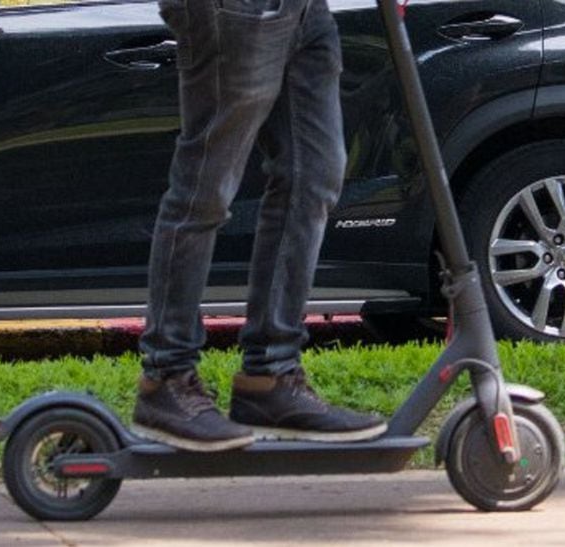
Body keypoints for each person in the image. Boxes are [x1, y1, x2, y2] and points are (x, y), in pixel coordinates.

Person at [132, 0, 387, 451]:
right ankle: (166, 379)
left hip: (305, 12)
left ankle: (271, 376)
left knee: (314, 176)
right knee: (206, 186)